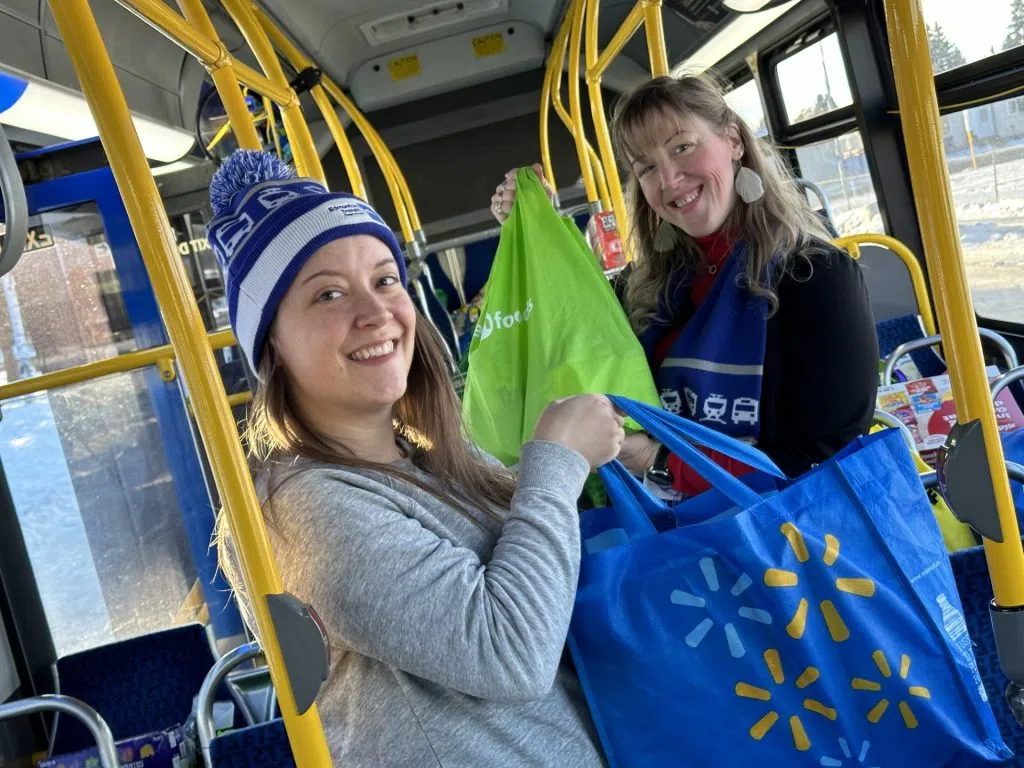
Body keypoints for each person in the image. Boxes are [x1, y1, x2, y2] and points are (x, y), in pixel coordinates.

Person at [206, 149, 615, 766]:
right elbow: (509, 651)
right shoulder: (303, 510)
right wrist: (555, 464)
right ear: (274, 347)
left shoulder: (419, 455)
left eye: (384, 279)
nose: (375, 314)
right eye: (327, 295)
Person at [490, 74, 878, 494]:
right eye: (648, 168)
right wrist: (538, 227)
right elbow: (574, 335)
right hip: (674, 534)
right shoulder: (642, 290)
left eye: (682, 147)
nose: (670, 179)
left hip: (790, 539)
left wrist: (660, 462)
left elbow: (825, 455)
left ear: (733, 140)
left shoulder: (817, 277)